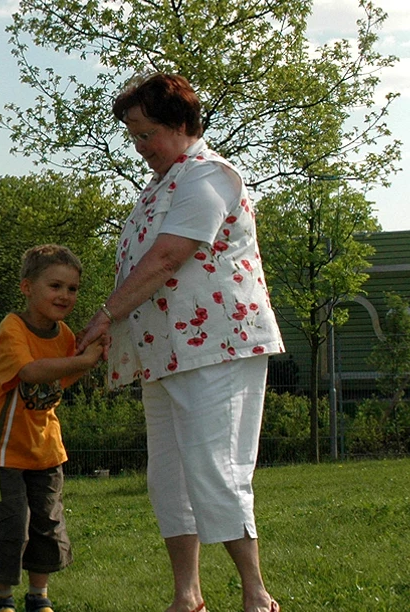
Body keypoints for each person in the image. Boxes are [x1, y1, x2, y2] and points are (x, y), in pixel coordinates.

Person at [78, 73, 284, 612]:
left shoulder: (208, 177)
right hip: (164, 354)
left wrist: (104, 316)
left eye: (146, 133)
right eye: (133, 136)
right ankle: (187, 597)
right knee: (169, 479)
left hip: (218, 346)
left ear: (179, 124)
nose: (140, 146)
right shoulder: (161, 186)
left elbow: (169, 257)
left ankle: (255, 594)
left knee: (216, 468)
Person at [0, 244, 104, 612]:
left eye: (72, 289)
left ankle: (39, 596)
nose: (64, 295)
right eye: (55, 286)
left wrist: (90, 357)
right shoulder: (12, 327)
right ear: (26, 287)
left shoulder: (64, 336)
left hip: (46, 450)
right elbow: (30, 372)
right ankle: (1, 599)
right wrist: (83, 358)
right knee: (10, 524)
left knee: (47, 522)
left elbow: (63, 378)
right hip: (4, 451)